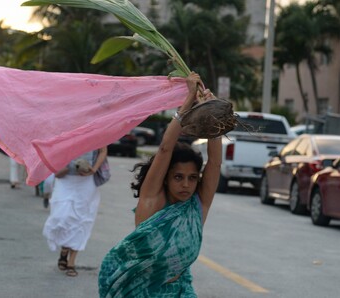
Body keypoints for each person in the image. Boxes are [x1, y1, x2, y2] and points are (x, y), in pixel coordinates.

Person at [98, 73, 222, 297]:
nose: (186, 184)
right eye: (178, 177)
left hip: (178, 290)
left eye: (192, 178)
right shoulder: (152, 200)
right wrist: (188, 100)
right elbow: (165, 148)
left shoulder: (196, 207)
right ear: (165, 177)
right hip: (139, 291)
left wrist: (209, 113)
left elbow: (215, 163)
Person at [43, 147, 108, 277]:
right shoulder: (64, 127)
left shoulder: (96, 127)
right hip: (65, 179)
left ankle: (71, 262)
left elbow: (103, 150)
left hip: (87, 181)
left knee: (81, 220)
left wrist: (94, 169)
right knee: (61, 217)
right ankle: (64, 249)